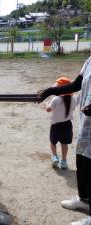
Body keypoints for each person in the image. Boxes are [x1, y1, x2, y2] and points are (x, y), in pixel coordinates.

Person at [39, 57, 91, 225]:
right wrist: (49, 91)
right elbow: (76, 85)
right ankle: (85, 199)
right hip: (86, 123)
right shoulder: (89, 61)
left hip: (80, 121)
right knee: (83, 162)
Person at [45, 77, 76, 169]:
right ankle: (64, 161)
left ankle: (55, 157)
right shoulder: (72, 99)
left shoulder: (56, 99)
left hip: (56, 125)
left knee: (53, 142)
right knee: (64, 144)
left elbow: (48, 110)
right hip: (67, 125)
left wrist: (46, 104)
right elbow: (73, 108)